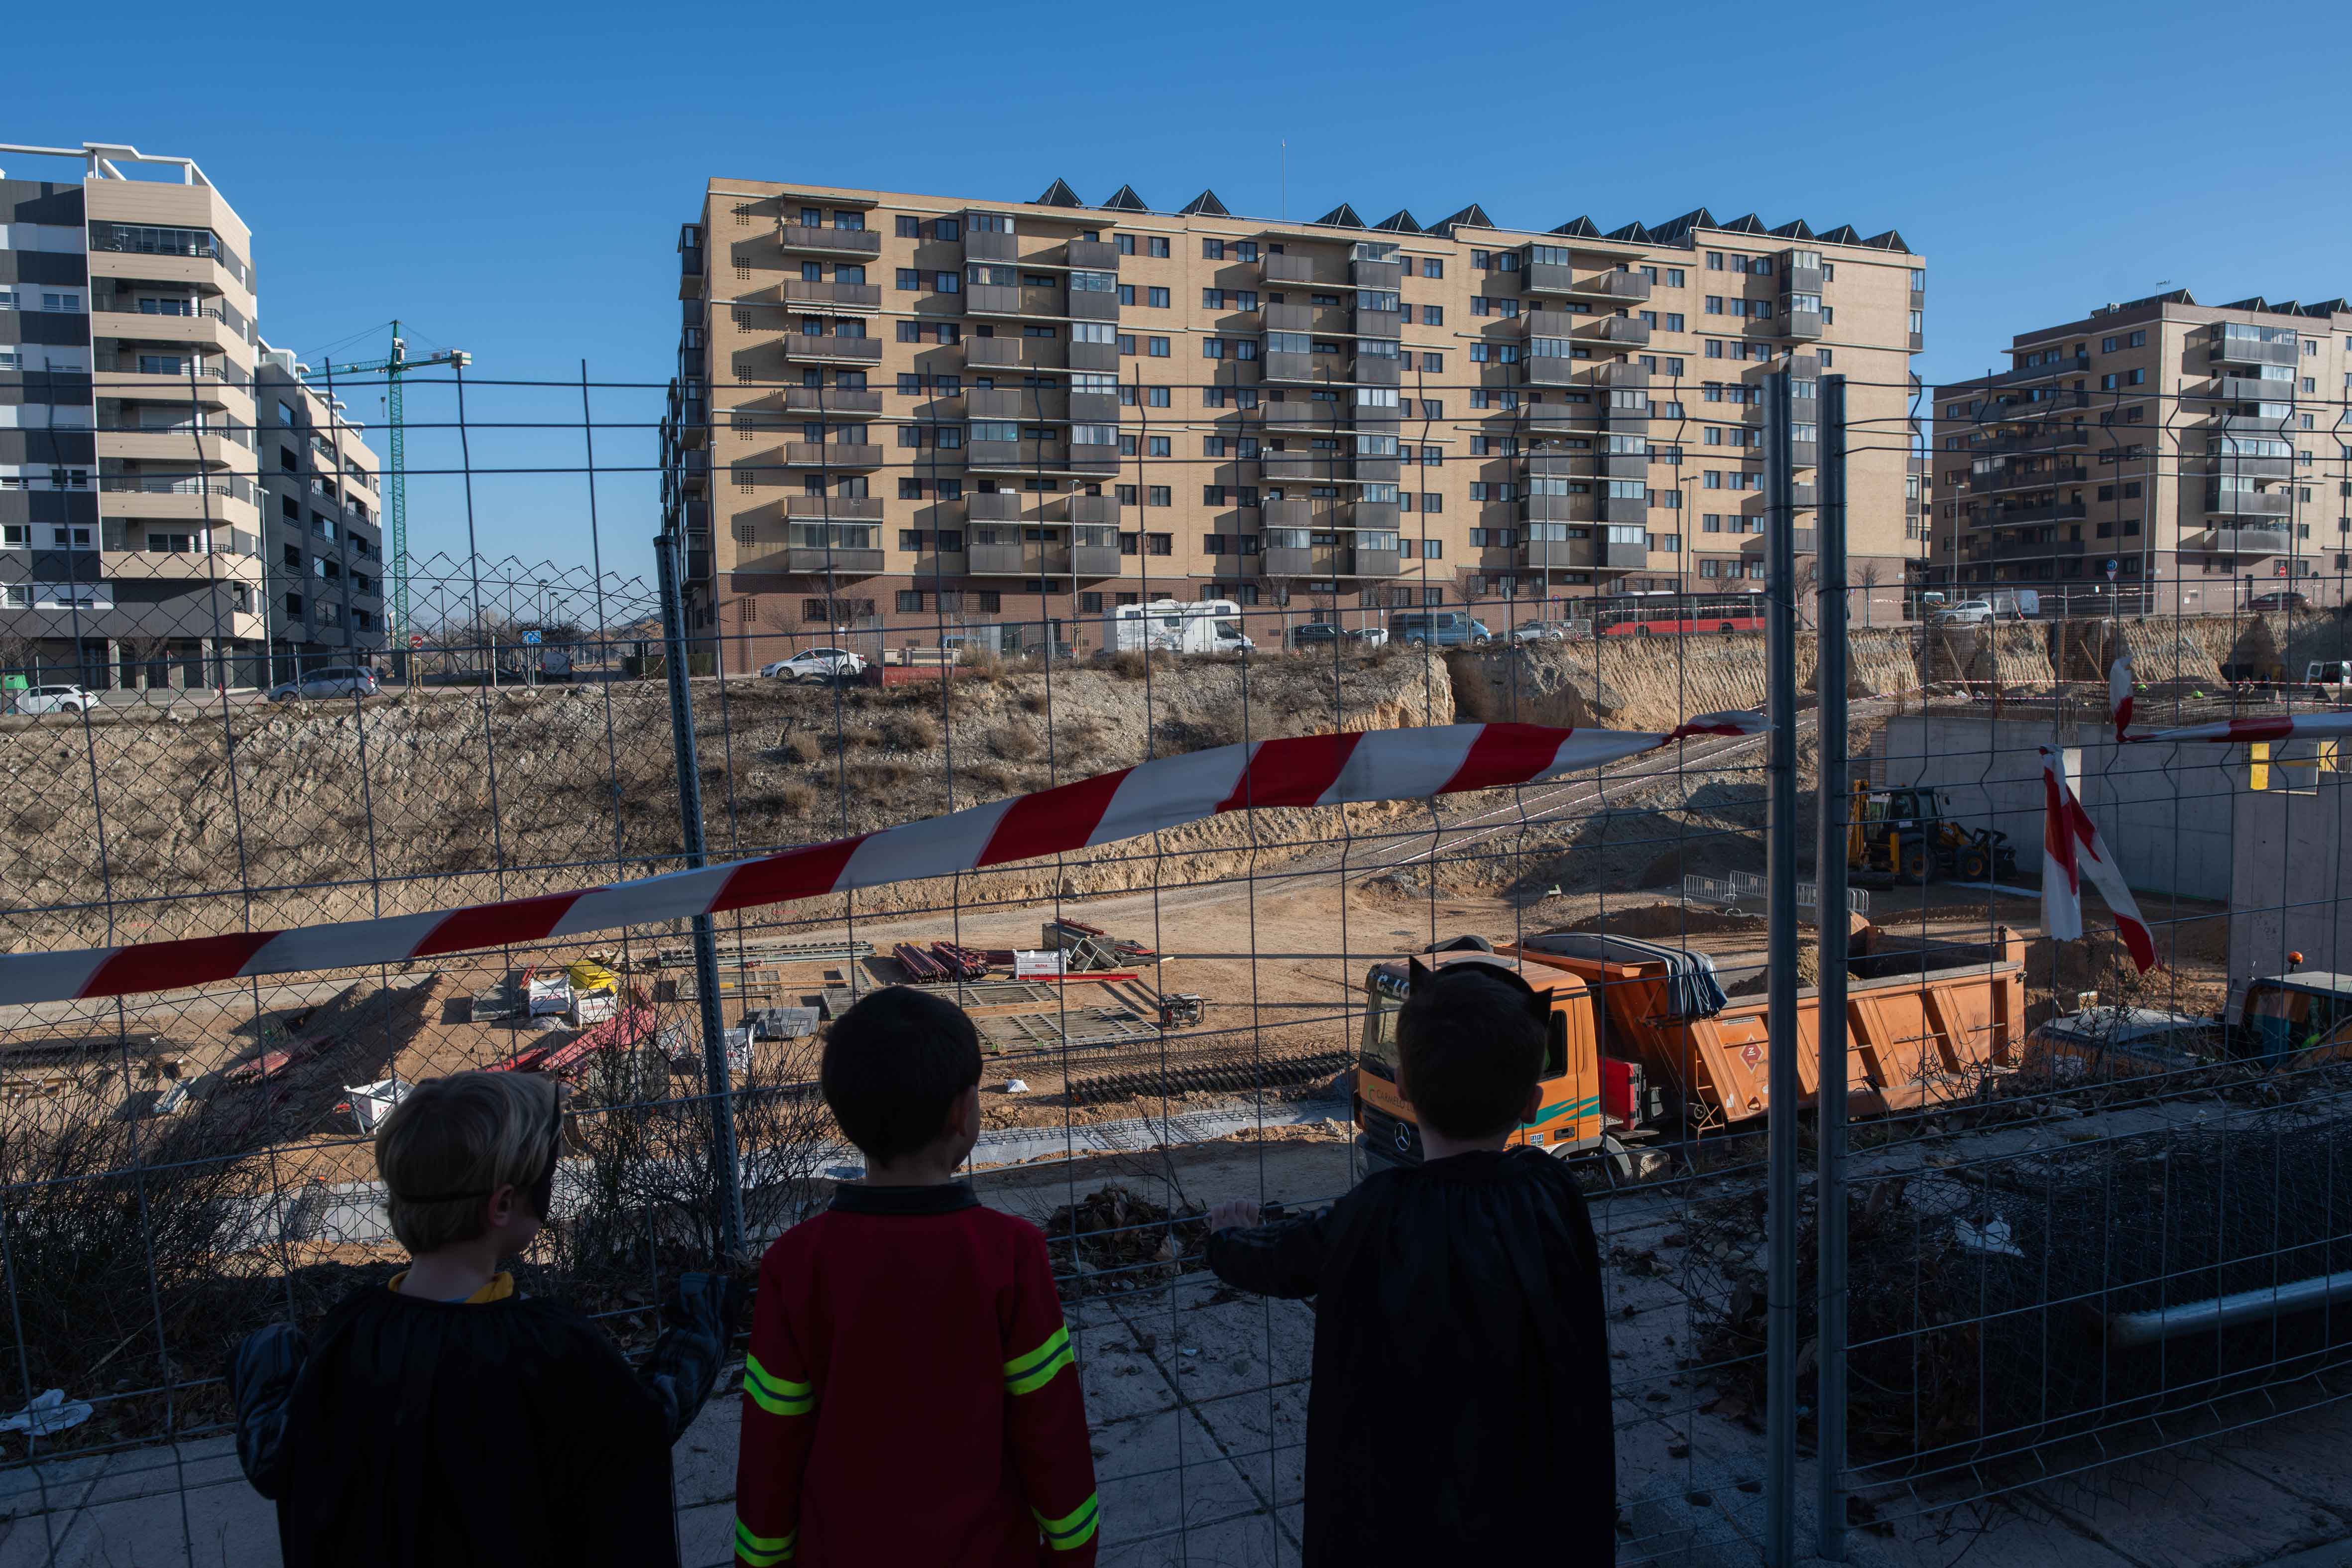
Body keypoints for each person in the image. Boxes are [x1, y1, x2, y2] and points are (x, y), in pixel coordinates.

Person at [230, 1070, 738, 1568]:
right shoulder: (549, 1347)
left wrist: (264, 1367)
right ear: (502, 1204)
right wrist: (701, 1326)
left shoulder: (351, 1330)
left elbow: (278, 1453)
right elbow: (643, 1425)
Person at [1205, 956, 1614, 1566]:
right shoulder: (1552, 1191)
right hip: (1533, 1517)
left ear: (1401, 1085)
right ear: (1532, 1101)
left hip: (1404, 1523)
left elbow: (1286, 1260)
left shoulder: (1378, 1208)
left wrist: (1228, 1238)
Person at [734, 985, 1098, 1568]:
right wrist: (1074, 1552)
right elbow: (1050, 1428)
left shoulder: (793, 1265)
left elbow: (771, 1447)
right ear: (962, 1111)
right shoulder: (1011, 1255)